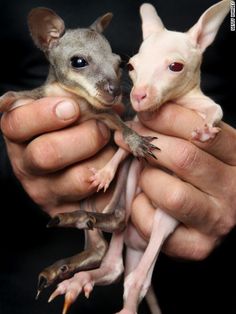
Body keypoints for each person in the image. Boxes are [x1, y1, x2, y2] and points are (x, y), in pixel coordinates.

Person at [0, 1, 235, 314]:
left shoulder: (232, 15)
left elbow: (125, 130)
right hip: (19, 279)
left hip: (205, 278)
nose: (123, 88)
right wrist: (14, 157)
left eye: (120, 67)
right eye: (133, 68)